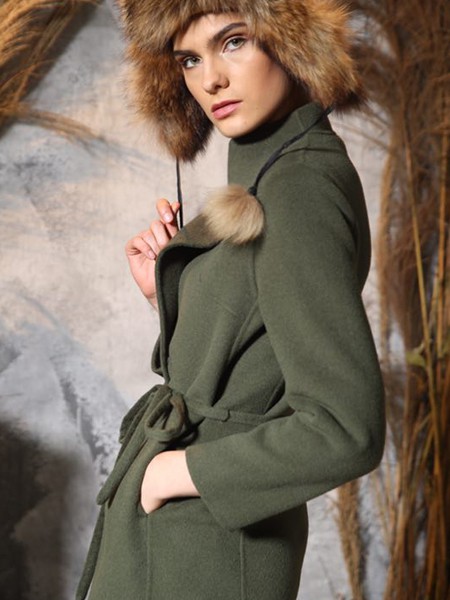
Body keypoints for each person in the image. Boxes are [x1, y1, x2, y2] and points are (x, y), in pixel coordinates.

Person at [77, 1, 385, 599]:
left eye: (234, 41)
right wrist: (170, 296)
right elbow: (257, 348)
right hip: (190, 538)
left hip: (209, 545)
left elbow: (346, 429)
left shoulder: (296, 189)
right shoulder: (273, 172)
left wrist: (175, 472)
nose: (210, 79)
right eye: (189, 59)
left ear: (293, 41)